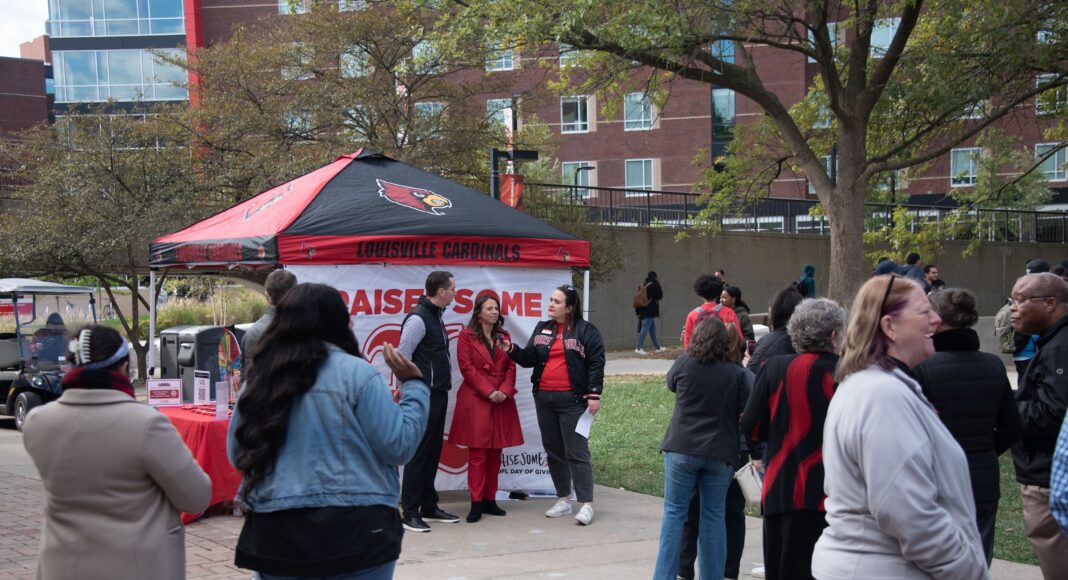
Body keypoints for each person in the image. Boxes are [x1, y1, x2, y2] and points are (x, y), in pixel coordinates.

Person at [228, 283, 430, 579]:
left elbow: (237, 454)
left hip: (276, 533)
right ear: (338, 322)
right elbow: (398, 446)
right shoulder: (358, 374)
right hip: (358, 531)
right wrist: (414, 387)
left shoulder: (259, 380)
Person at [812, 275, 989, 579]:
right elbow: (910, 514)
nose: (936, 319)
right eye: (924, 312)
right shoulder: (882, 395)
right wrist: (967, 569)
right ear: (889, 326)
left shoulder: (878, 386)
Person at [23, 325, 211, 579]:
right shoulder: (147, 424)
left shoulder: (37, 422)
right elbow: (196, 497)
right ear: (123, 367)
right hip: (136, 567)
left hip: (62, 566)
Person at [912, 288, 1022, 565]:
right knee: (977, 561)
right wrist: (982, 452)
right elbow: (1011, 428)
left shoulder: (920, 368)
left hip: (934, 481)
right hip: (981, 480)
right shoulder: (993, 365)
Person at [741, 298, 845, 580]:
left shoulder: (774, 368)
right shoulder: (845, 373)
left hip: (781, 488)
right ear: (834, 335)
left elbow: (751, 425)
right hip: (830, 494)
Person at [653, 316, 753, 580]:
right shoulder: (736, 373)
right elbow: (748, 409)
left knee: (674, 514)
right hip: (720, 452)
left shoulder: (685, 363)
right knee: (713, 516)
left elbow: (671, 384)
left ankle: (663, 576)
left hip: (682, 447)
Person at [503, 284, 605, 526]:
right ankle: (564, 500)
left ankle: (587, 505)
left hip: (572, 401)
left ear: (569, 308)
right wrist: (511, 349)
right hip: (544, 399)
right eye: (550, 300)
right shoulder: (542, 329)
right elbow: (530, 358)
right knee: (554, 451)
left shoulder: (586, 331)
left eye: (557, 302)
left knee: (576, 452)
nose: (551, 304)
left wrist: (594, 394)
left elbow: (596, 364)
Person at [1008, 272, 1068, 577]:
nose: (1012, 309)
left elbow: (1053, 413)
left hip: (1048, 478)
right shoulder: (1052, 342)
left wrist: (1006, 407)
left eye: (1020, 300)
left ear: (1050, 303)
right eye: (1011, 301)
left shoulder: (1059, 348)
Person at [448, 294, 523, 523]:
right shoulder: (465, 336)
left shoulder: (504, 337)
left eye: (496, 308)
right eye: (489, 308)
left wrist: (505, 391)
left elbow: (511, 367)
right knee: (478, 453)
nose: (494, 312)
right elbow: (467, 368)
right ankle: (476, 502)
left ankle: (490, 500)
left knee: (496, 452)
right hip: (477, 399)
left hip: (502, 400)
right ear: (478, 313)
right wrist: (489, 391)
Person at [398, 271, 461, 532]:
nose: (455, 293)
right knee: (419, 452)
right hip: (422, 395)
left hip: (438, 393)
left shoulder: (436, 316)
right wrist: (408, 391)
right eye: (453, 289)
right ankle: (410, 511)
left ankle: (428, 505)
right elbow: (402, 356)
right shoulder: (418, 319)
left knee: (433, 451)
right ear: (441, 291)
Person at [242, 269, 297, 381]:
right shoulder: (308, 329)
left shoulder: (253, 333)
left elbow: (248, 380)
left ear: (266, 294)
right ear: (295, 294)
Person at [747, 286, 803, 371]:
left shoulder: (768, 341)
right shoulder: (807, 341)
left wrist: (749, 363)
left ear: (777, 314)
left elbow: (753, 375)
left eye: (770, 313)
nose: (769, 317)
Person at [682, 274, 743, 347]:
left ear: (700, 293)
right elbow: (740, 339)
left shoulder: (692, 315)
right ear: (718, 292)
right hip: (723, 356)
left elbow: (687, 343)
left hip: (699, 356)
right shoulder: (728, 312)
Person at [635, 271, 666, 354]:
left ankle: (658, 347)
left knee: (652, 331)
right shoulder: (653, 286)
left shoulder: (644, 285)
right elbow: (660, 296)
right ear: (655, 277)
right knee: (645, 329)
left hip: (643, 310)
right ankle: (638, 348)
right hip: (650, 311)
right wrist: (658, 285)